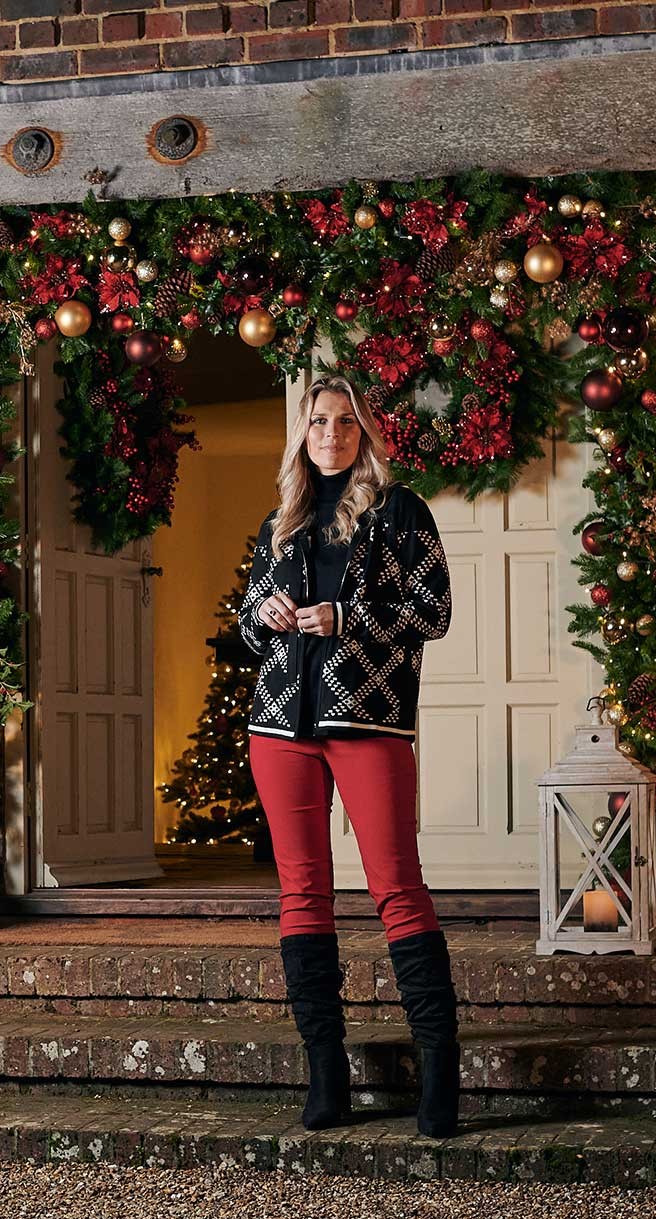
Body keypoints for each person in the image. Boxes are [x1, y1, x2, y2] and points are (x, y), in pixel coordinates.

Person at [238, 373, 460, 1138]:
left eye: (344, 421)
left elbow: (434, 611)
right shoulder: (282, 518)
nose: (330, 433)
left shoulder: (401, 511)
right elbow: (247, 622)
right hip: (278, 725)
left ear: (364, 431)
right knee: (302, 892)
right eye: (318, 421)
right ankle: (325, 1073)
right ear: (303, 432)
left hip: (367, 718)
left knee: (397, 885)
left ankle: (440, 1075)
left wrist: (347, 616)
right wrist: (263, 613)